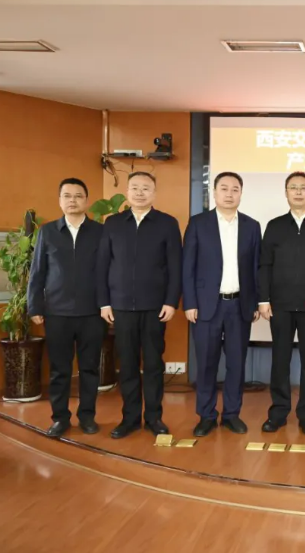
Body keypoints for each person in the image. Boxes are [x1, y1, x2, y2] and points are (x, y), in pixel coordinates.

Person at [96, 171, 183, 439]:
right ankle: (130, 418)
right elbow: (102, 265)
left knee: (154, 364)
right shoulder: (113, 223)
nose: (140, 193)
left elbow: (175, 266)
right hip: (121, 307)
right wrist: (104, 302)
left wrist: (171, 301)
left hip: (155, 307)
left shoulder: (167, 223)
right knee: (128, 365)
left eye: (146, 188)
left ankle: (154, 418)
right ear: (127, 192)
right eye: (135, 188)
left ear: (154, 193)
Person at [183, 172, 261, 437]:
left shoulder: (252, 226)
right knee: (206, 363)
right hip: (206, 305)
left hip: (239, 305)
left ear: (241, 194)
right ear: (214, 193)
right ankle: (206, 415)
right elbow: (188, 266)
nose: (229, 194)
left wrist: (254, 302)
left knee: (236, 364)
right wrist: (190, 302)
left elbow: (256, 268)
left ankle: (231, 414)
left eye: (235, 189)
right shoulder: (198, 223)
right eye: (224, 188)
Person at [258, 171, 305, 435]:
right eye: (293, 187)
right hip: (279, 305)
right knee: (280, 360)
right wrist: (263, 300)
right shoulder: (275, 226)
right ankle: (278, 413)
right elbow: (265, 264)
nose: (299, 192)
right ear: (286, 193)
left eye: (304, 187)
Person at [28, 177, 105, 437]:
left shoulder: (100, 232)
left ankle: (87, 417)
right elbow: (37, 272)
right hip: (57, 312)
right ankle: (60, 418)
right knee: (59, 370)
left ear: (87, 200)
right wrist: (35, 306)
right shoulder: (48, 232)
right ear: (60, 200)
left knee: (90, 369)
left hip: (92, 312)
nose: (73, 200)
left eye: (78, 196)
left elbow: (108, 271)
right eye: (67, 196)